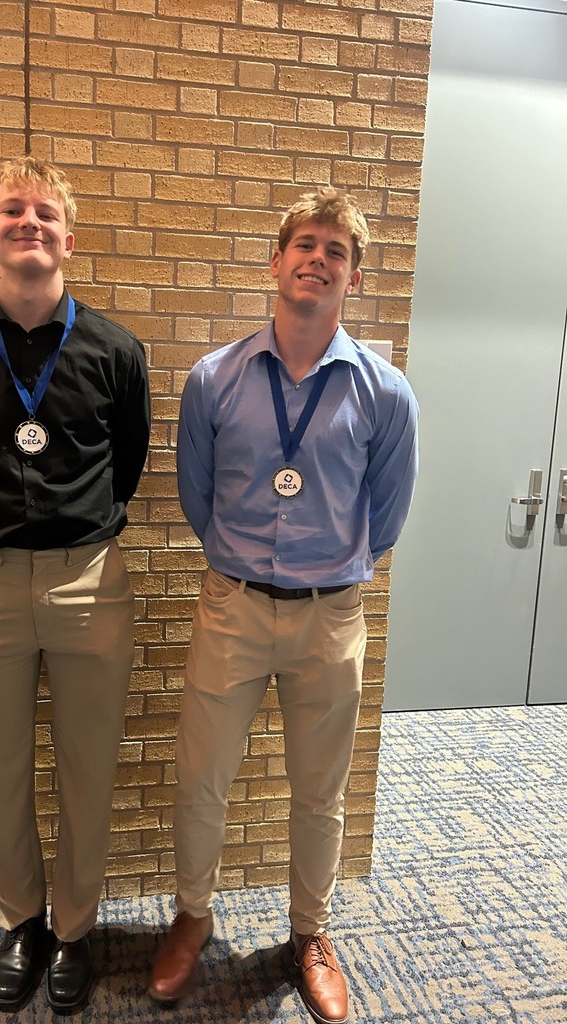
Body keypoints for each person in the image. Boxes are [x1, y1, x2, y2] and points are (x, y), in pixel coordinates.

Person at [148, 187, 418, 1024]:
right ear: (276, 261)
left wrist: (326, 569)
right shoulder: (214, 380)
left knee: (320, 791)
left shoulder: (385, 394)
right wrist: (246, 567)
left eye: (337, 252)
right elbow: (199, 498)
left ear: (354, 279)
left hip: (330, 616)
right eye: (306, 243)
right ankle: (193, 916)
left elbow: (388, 515)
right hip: (231, 605)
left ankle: (310, 933)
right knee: (202, 781)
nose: (318, 260)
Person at [0, 156, 150, 1013]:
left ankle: (74, 929)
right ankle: (22, 924)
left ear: (69, 241)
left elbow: (129, 468)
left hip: (90, 583)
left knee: (88, 771)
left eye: (46, 214)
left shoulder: (116, 349)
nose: (30, 224)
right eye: (14, 210)